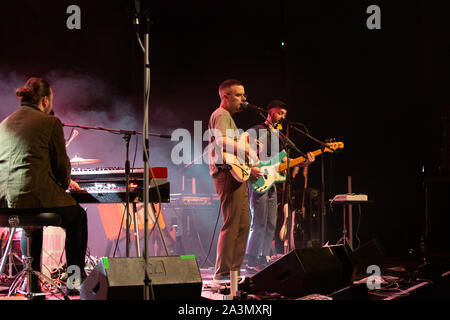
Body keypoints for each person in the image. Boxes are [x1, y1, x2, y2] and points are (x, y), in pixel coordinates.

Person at [0, 77, 88, 296]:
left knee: (30, 218)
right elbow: (62, 172)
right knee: (78, 217)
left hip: (5, 204)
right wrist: (64, 183)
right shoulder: (51, 122)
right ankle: (74, 281)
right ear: (46, 100)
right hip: (35, 199)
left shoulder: (4, 124)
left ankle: (31, 282)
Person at [245, 99, 315, 271]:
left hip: (273, 182)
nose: (283, 116)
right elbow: (242, 150)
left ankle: (264, 256)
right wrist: (252, 167)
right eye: (280, 113)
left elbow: (285, 160)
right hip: (258, 179)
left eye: (284, 114)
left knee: (271, 223)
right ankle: (251, 257)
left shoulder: (279, 136)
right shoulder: (256, 130)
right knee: (259, 221)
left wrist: (304, 163)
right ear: (270, 112)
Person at [207, 79, 258, 281]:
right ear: (225, 97)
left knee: (244, 223)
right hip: (226, 173)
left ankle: (234, 272)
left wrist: (249, 161)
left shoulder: (229, 117)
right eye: (238, 95)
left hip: (235, 173)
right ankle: (223, 273)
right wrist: (247, 150)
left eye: (244, 95)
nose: (243, 99)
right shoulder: (221, 114)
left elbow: (233, 146)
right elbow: (221, 141)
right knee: (232, 222)